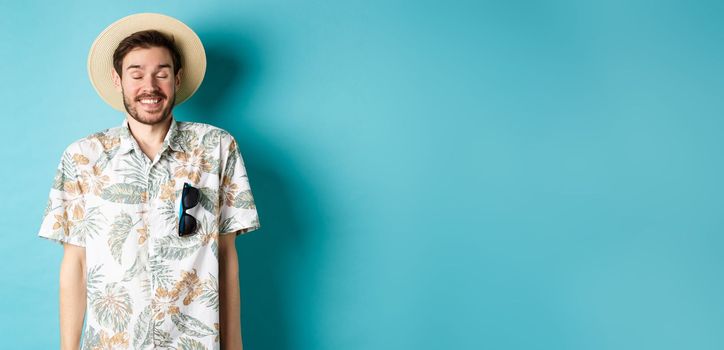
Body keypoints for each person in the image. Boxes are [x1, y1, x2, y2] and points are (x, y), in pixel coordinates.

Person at [37, 13, 261, 350]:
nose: (150, 87)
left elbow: (226, 256)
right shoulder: (82, 156)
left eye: (162, 73)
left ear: (177, 78)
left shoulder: (217, 148)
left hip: (194, 342)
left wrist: (235, 346)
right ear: (118, 81)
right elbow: (76, 264)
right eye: (137, 74)